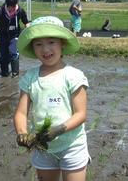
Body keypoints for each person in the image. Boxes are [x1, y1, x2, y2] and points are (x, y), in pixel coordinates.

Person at [14, 16, 90, 181]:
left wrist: (59, 129)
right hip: (42, 147)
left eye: (51, 42)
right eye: (38, 44)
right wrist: (22, 133)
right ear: (33, 48)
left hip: (72, 146)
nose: (45, 49)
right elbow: (21, 113)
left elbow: (81, 114)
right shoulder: (30, 78)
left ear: (62, 43)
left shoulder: (73, 76)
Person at [0, 0, 30, 77]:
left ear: (16, 5)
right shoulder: (0, 10)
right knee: (3, 56)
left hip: (14, 35)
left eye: (13, 6)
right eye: (9, 6)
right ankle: (4, 73)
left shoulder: (20, 11)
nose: (11, 9)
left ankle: (15, 74)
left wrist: (28, 32)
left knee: (13, 53)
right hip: (3, 36)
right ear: (6, 4)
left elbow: (26, 23)